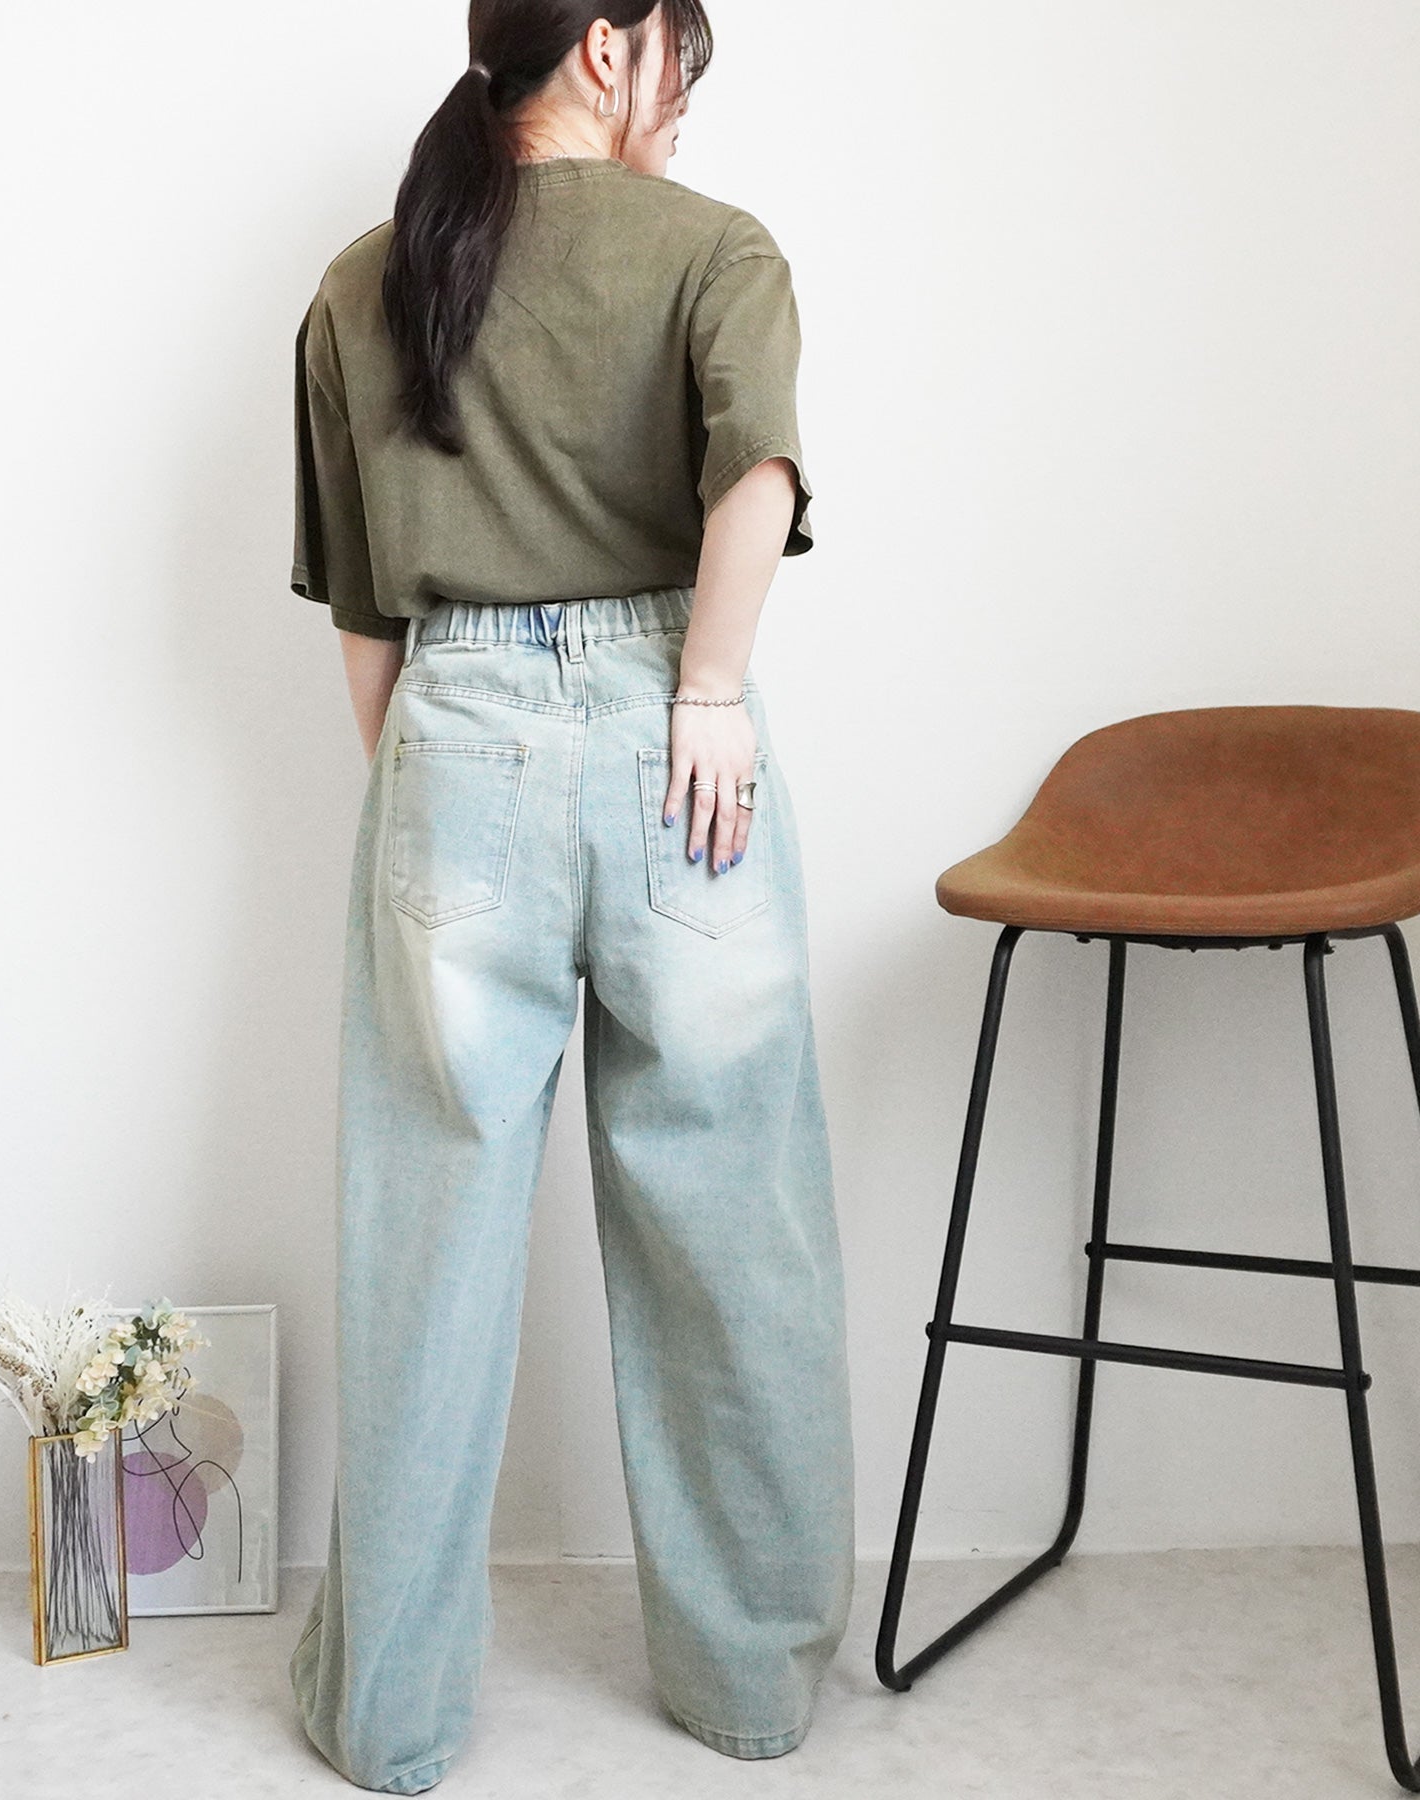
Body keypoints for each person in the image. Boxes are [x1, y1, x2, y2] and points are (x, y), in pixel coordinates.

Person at [286, 4, 854, 1791]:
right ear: (608, 50)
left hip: (452, 739)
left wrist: (431, 789)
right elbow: (757, 474)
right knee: (733, 1221)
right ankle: (751, 1689)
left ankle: (389, 1718)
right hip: (685, 751)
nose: (684, 100)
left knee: (424, 1242)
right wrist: (705, 691)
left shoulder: (365, 281)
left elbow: (366, 615)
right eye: (681, 55)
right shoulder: (716, 251)